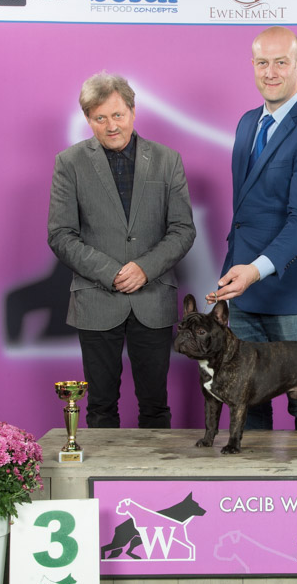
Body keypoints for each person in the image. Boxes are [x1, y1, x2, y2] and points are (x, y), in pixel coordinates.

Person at [205, 26, 297, 430]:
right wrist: (238, 272)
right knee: (243, 402)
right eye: (263, 62)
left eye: (281, 62)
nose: (271, 72)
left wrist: (254, 270)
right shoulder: (247, 123)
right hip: (243, 290)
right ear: (252, 65)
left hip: (294, 291)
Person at [49, 71, 195, 429]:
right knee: (100, 407)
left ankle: (158, 470)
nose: (111, 125)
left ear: (132, 111)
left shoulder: (167, 160)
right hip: (96, 298)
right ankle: (103, 470)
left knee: (155, 406)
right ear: (88, 119)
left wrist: (145, 268)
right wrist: (110, 273)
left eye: (117, 115)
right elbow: (61, 234)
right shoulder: (69, 163)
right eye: (100, 118)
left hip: (153, 297)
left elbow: (182, 229)